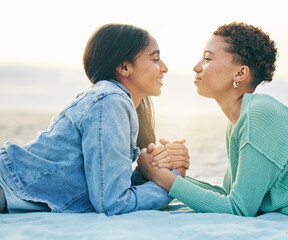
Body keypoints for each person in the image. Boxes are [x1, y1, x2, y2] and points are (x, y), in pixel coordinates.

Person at [137, 22, 288, 218]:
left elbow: (239, 209)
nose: (197, 66)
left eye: (207, 58)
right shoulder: (240, 118)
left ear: (241, 74)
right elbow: (228, 195)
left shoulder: (259, 113)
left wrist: (161, 177)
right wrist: (165, 173)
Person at [0, 24, 189, 215]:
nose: (164, 68)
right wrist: (171, 184)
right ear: (124, 67)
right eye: (155, 59)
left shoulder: (113, 101)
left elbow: (107, 187)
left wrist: (156, 169)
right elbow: (113, 203)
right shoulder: (110, 102)